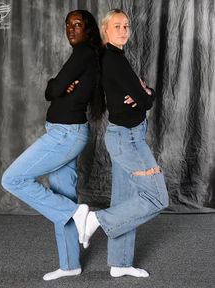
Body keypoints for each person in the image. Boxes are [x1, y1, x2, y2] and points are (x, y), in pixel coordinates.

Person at [1, 9, 104, 281]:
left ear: (88, 29)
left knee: (12, 179)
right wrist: (55, 86)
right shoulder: (86, 56)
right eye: (68, 25)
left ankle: (77, 213)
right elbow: (52, 89)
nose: (71, 29)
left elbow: (56, 90)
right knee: (63, 196)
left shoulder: (83, 53)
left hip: (65, 135)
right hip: (68, 133)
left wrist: (57, 86)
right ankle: (70, 264)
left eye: (77, 24)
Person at [82, 9, 169, 278]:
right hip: (128, 139)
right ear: (105, 31)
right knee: (156, 198)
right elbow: (146, 101)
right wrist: (142, 93)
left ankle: (119, 263)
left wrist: (143, 93)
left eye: (126, 26)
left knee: (125, 200)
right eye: (117, 26)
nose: (123, 31)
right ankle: (96, 219)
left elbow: (144, 95)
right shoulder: (113, 60)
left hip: (124, 135)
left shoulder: (115, 58)